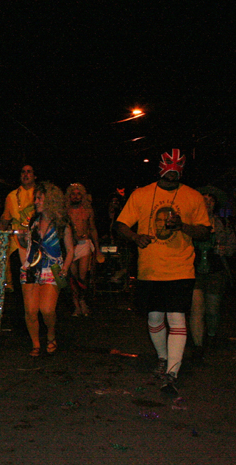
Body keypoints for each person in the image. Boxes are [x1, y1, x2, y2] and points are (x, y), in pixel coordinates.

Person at [115, 149, 211, 395]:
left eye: (176, 172)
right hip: (150, 269)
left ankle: (172, 372)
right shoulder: (141, 194)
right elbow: (121, 224)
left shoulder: (192, 196)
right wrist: (136, 237)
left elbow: (204, 231)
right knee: (155, 318)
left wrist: (182, 226)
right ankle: (163, 357)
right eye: (168, 171)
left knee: (177, 317)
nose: (172, 176)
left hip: (181, 268)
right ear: (160, 169)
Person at [20, 181, 74, 357]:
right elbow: (26, 245)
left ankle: (51, 335)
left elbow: (71, 249)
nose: (35, 201)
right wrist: (24, 262)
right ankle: (36, 344)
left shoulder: (61, 223)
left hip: (52, 269)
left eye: (39, 198)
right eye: (36, 198)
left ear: (50, 200)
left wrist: (65, 268)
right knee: (30, 310)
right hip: (31, 268)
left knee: (47, 309)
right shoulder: (33, 221)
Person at [188, 186, 235, 361]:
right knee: (196, 308)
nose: (207, 202)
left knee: (212, 309)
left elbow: (232, 244)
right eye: (204, 199)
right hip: (195, 271)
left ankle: (212, 336)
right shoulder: (190, 223)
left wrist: (225, 249)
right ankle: (198, 345)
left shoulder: (222, 224)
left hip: (216, 271)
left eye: (211, 200)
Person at [0, 165, 36, 291]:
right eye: (23, 172)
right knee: (18, 280)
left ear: (34, 176)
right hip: (17, 243)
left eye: (29, 172)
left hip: (37, 243)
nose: (25, 175)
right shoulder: (12, 196)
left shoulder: (42, 195)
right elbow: (5, 220)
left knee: (35, 281)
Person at [66, 183, 101, 316]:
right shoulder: (66, 211)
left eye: (78, 194)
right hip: (71, 245)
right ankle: (76, 304)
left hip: (84, 244)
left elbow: (92, 229)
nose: (75, 196)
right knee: (73, 277)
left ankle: (82, 301)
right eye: (73, 194)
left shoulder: (87, 210)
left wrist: (97, 249)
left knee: (83, 275)